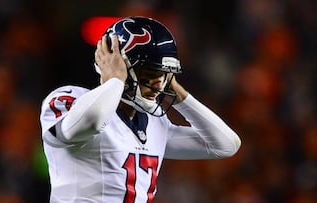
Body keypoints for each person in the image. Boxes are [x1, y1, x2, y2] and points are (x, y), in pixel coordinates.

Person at [39, 16, 241, 203]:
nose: (158, 85)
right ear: (116, 66)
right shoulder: (70, 100)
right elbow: (93, 121)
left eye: (162, 76)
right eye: (148, 75)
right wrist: (115, 80)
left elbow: (224, 145)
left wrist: (178, 93)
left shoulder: (154, 124)